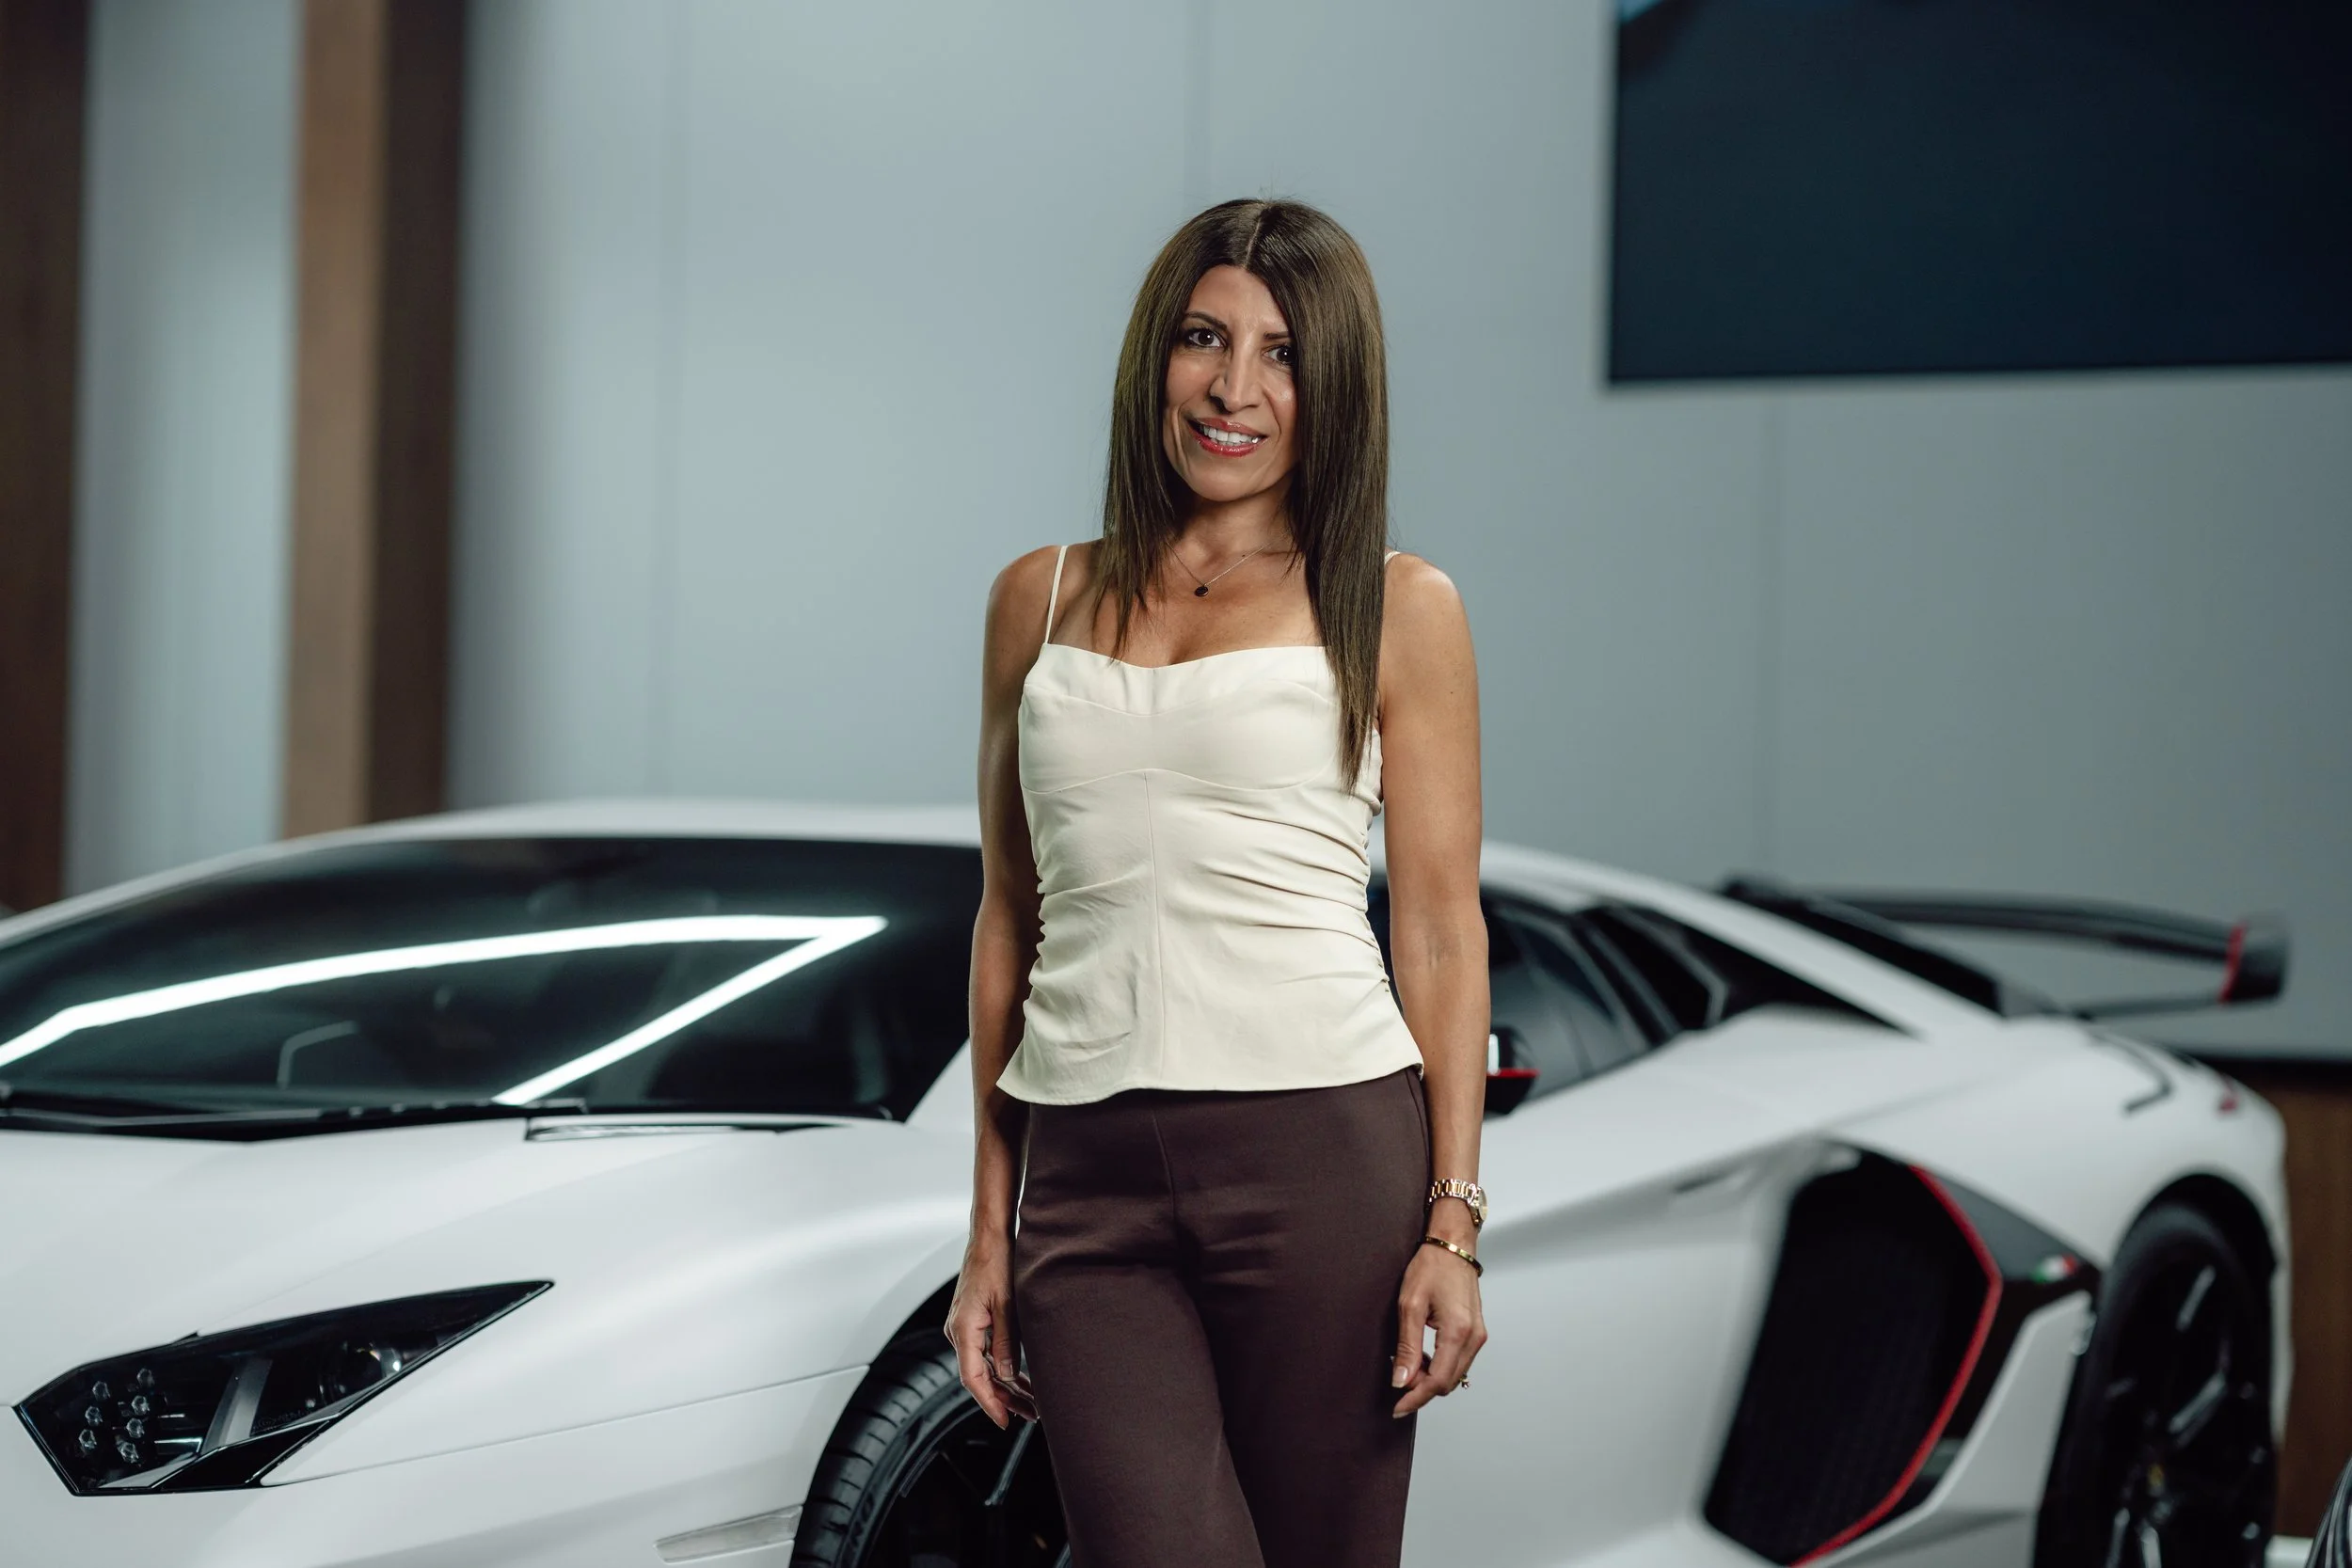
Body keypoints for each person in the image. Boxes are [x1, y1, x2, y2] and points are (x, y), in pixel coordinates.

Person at [946, 197, 1489, 1568]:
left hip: (1324, 1159)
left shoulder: (1396, 602)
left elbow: (1434, 929)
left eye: (1282, 353)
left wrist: (1454, 1227)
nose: (1235, 388)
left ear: (1335, 387)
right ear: (1156, 359)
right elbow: (1012, 915)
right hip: (1086, 1177)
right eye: (1204, 339)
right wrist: (988, 1225)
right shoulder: (1040, 596)